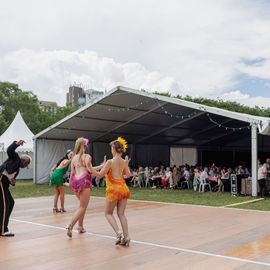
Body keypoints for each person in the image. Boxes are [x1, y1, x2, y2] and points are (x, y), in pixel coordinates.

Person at [91, 137, 132, 246]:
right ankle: (126, 236)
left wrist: (90, 169)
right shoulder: (124, 161)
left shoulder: (110, 161)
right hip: (123, 188)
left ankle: (118, 233)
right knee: (121, 214)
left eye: (111, 148)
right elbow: (128, 175)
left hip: (113, 190)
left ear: (114, 149)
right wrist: (121, 173)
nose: (111, 150)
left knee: (108, 213)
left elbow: (99, 175)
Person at [66, 137, 105, 238]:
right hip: (84, 182)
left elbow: (72, 173)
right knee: (82, 207)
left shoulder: (73, 158)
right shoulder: (87, 156)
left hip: (75, 183)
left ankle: (80, 226)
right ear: (84, 146)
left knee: (82, 206)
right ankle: (70, 225)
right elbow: (90, 170)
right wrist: (102, 168)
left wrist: (70, 185)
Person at [0, 140, 31, 237]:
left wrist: (13, 182)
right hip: (0, 181)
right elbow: (9, 150)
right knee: (5, 205)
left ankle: (2, 224)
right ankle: (3, 230)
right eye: (26, 163)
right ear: (23, 160)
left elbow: (11, 181)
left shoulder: (17, 170)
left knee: (11, 203)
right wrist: (16, 144)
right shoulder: (15, 158)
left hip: (4, 184)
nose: (26, 166)